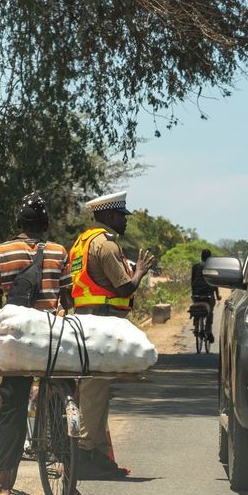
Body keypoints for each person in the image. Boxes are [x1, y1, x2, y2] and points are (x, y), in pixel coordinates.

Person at [0, 195, 74, 495]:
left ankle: (3, 486)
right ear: (46, 225)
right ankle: (70, 482)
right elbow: (67, 299)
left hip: (18, 345)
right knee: (62, 397)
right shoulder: (59, 252)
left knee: (11, 406)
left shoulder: (1, 252)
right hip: (52, 341)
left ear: (18, 223)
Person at [68, 191, 154, 479]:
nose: (125, 221)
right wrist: (139, 271)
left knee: (97, 388)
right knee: (95, 388)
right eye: (121, 216)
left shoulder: (81, 243)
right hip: (102, 323)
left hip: (84, 319)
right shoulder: (105, 245)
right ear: (108, 215)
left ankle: (100, 455)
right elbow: (124, 287)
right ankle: (84, 451)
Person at [190, 249, 220, 343]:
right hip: (208, 295)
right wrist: (217, 295)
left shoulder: (195, 267)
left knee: (197, 308)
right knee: (210, 312)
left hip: (196, 294)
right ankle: (208, 331)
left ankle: (196, 325)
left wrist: (193, 293)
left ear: (201, 257)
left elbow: (192, 281)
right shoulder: (212, 267)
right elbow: (214, 283)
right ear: (210, 258)